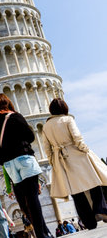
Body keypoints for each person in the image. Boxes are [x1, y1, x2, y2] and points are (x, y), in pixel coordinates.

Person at [0, 93, 50, 238]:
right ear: (7, 103)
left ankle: (44, 232)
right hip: (24, 159)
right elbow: (30, 136)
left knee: (23, 202)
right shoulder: (16, 117)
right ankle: (42, 235)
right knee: (33, 198)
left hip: (9, 165)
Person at [42, 98, 107, 230]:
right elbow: (77, 137)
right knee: (95, 183)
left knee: (76, 193)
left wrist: (53, 161)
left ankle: (89, 222)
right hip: (77, 155)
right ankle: (101, 209)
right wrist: (85, 149)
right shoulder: (68, 120)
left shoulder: (46, 126)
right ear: (64, 108)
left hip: (61, 160)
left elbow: (46, 148)